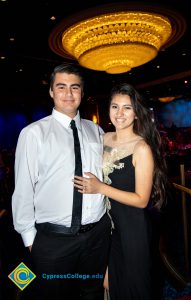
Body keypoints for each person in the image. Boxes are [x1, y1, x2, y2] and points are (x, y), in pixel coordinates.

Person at [12, 63, 111, 300]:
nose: (68, 94)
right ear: (51, 92)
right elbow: (23, 189)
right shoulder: (33, 133)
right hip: (54, 241)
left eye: (75, 88)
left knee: (92, 293)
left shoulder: (95, 130)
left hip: (97, 235)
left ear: (82, 93)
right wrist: (30, 239)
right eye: (61, 87)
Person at [73, 83, 169, 300]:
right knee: (109, 283)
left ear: (136, 113)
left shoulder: (141, 148)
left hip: (132, 228)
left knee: (133, 286)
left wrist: (100, 187)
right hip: (106, 225)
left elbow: (142, 200)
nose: (120, 113)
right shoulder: (103, 137)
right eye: (115, 107)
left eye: (127, 108)